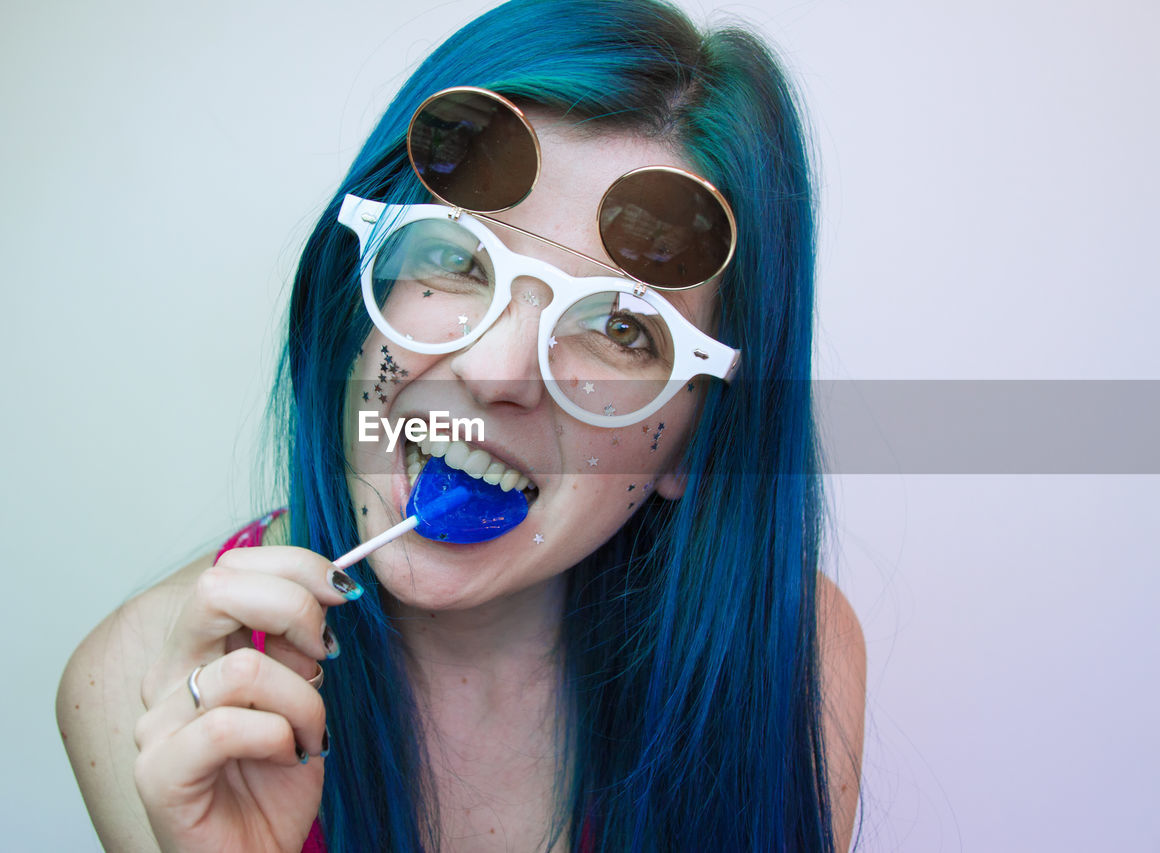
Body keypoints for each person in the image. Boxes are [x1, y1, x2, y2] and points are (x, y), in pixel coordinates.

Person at [57, 0, 867, 850]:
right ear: (353, 299)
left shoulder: (788, 662)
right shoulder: (146, 687)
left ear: (697, 441)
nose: (496, 371)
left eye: (623, 328)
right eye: (455, 255)